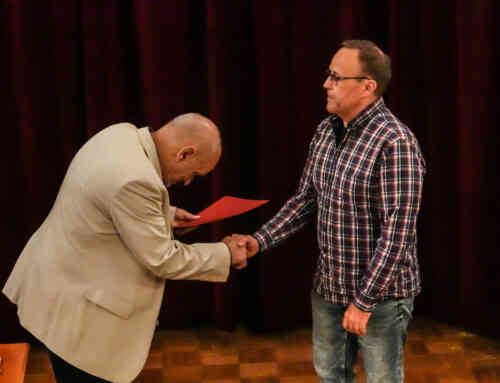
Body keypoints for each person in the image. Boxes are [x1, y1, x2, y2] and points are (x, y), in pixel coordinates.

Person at [231, 40, 426, 382]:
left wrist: (364, 302)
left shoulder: (396, 143)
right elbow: (306, 200)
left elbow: (398, 235)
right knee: (329, 375)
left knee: (383, 379)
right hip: (329, 288)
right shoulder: (325, 131)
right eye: (328, 75)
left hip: (380, 298)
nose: (326, 84)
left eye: (336, 77)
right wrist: (258, 241)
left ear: (368, 86)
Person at [3, 113, 248, 383]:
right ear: (184, 154)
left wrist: (164, 214)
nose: (188, 181)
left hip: (57, 287)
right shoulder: (136, 180)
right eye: (194, 173)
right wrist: (225, 253)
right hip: (78, 318)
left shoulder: (120, 134)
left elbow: (104, 199)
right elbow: (163, 258)